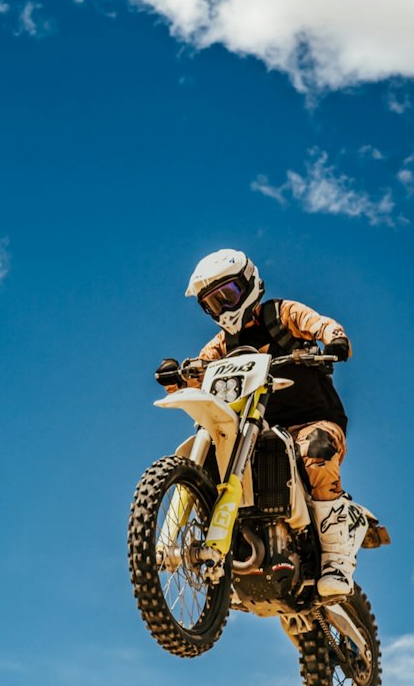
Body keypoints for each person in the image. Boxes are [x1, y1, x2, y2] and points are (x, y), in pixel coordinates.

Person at [155, 248, 368, 598]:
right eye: (212, 303)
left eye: (228, 295)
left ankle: (336, 559)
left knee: (315, 451)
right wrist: (176, 376)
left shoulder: (282, 314)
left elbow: (320, 324)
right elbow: (198, 371)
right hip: (255, 429)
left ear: (250, 285)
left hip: (313, 420)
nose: (223, 308)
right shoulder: (222, 344)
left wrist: (334, 339)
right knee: (215, 450)